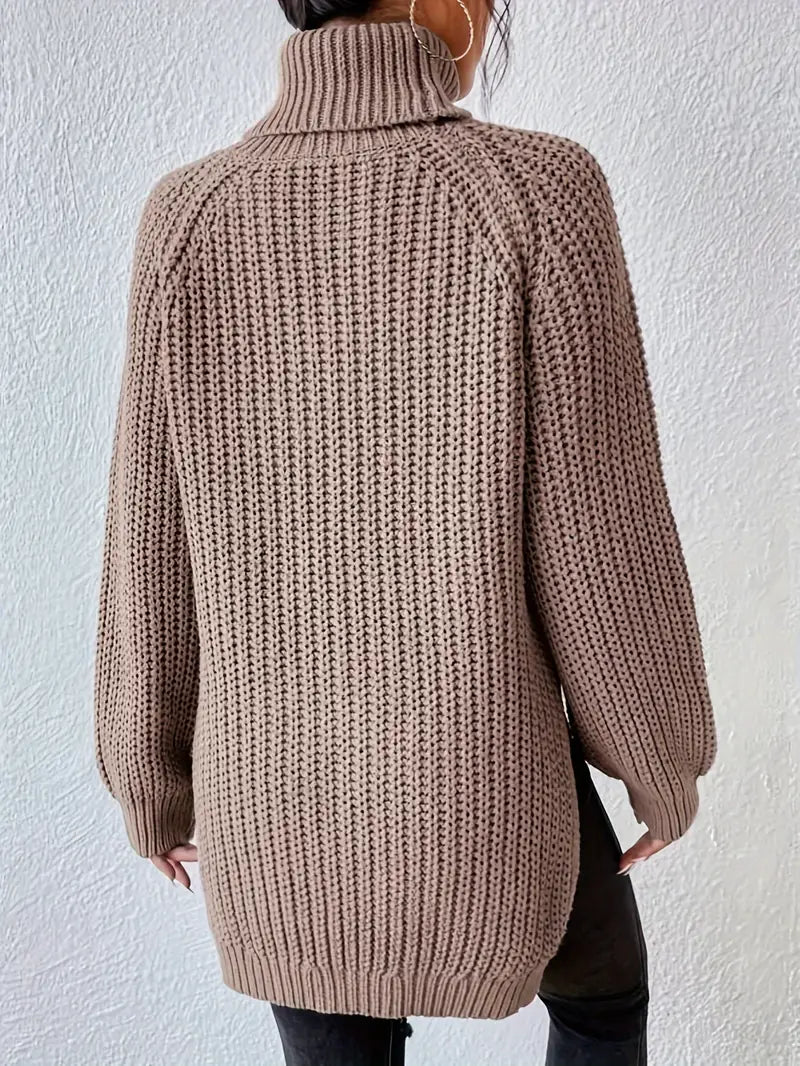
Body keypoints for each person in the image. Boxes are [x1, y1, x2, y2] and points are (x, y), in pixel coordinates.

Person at [92, 2, 717, 1063]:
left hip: (272, 802)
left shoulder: (187, 213)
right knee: (602, 1004)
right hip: (485, 779)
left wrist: (146, 780)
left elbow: (149, 537)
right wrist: (659, 759)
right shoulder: (537, 191)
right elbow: (600, 535)